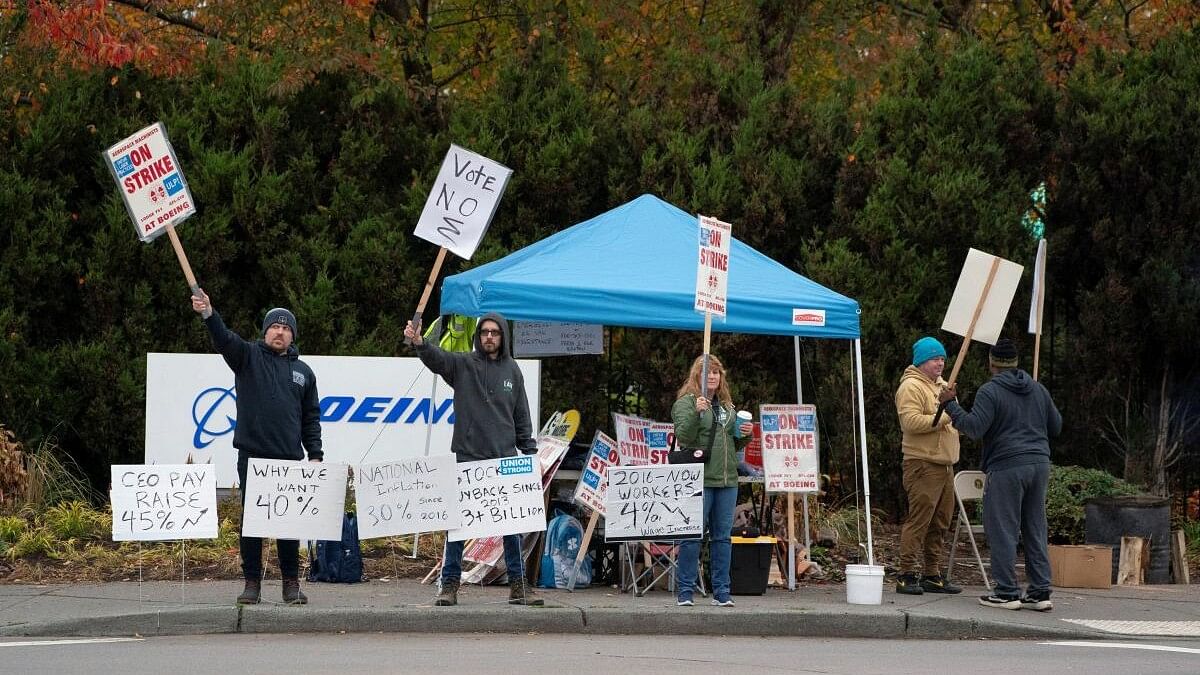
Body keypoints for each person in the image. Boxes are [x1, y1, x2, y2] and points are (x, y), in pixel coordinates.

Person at [191, 290, 323, 606]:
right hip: (252, 458)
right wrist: (209, 313)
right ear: (265, 332)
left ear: (293, 335)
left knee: (288, 524)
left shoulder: (304, 373)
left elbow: (310, 417)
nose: (280, 332)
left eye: (286, 328)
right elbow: (223, 339)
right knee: (252, 523)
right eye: (274, 327)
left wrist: (315, 454)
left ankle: (291, 584)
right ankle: (252, 583)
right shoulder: (247, 357)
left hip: (289, 459)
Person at [404, 313, 541, 607]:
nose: (489, 337)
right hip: (468, 457)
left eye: (495, 333)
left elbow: (521, 415)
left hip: (505, 459)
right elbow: (437, 358)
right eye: (484, 332)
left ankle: (519, 587)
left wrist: (528, 450)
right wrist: (419, 342)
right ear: (478, 336)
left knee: (512, 526)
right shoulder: (463, 365)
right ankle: (449, 586)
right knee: (457, 526)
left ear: (503, 336)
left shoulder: (513, 371)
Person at [940, 338, 1062, 611]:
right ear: (1017, 362)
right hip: (1039, 463)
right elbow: (1056, 426)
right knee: (1035, 527)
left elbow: (974, 428)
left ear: (991, 364)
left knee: (1003, 529)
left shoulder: (990, 391)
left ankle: (1007, 592)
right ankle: (1040, 591)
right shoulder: (1038, 389)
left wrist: (951, 404)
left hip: (1006, 465)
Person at [670, 354, 753, 608]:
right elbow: (683, 435)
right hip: (700, 477)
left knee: (722, 537)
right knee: (692, 536)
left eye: (716, 372)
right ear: (697, 376)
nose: (713, 376)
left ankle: (722, 592)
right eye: (708, 372)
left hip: (727, 479)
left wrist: (745, 436)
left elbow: (733, 442)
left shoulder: (727, 406)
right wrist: (697, 413)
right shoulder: (687, 402)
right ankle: (685, 591)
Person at [894, 336, 962, 595]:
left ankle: (932, 573)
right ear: (921, 361)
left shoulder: (943, 386)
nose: (940, 363)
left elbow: (951, 420)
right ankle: (906, 573)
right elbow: (910, 423)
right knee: (919, 520)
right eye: (935, 358)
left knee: (941, 522)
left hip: (945, 465)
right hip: (922, 464)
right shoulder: (911, 387)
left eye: (943, 358)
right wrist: (947, 415)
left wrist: (957, 415)